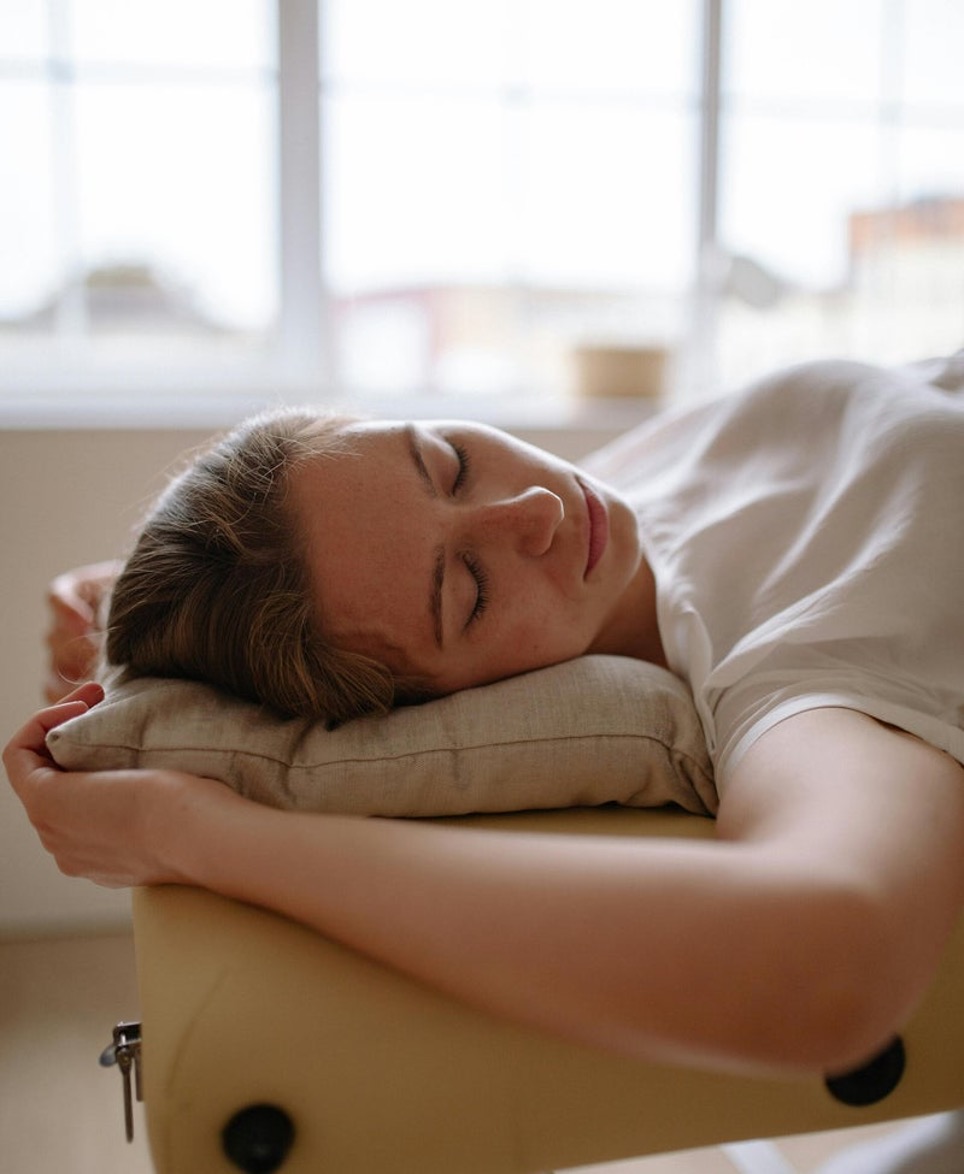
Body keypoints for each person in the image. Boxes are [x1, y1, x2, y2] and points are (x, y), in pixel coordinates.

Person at [6, 352, 964, 1082]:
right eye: (466, 589)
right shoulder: (801, 648)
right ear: (450, 703)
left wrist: (138, 583)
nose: (539, 507)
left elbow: (356, 542)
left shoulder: (617, 510)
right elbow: (827, 966)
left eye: (449, 460)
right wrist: (189, 831)